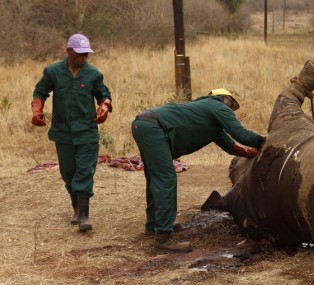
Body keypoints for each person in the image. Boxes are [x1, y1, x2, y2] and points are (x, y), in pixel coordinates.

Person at [131, 88, 266, 253]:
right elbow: (241, 134)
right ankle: (162, 239)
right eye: (231, 103)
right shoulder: (216, 105)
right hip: (154, 129)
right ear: (221, 97)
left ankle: (154, 225)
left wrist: (251, 152)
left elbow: (230, 146)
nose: (231, 109)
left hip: (144, 125)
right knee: (166, 179)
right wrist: (263, 140)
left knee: (155, 178)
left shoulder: (208, 119)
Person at [31, 33, 112, 233]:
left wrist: (104, 107)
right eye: (79, 54)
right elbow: (40, 92)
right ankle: (76, 208)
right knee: (68, 172)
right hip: (63, 132)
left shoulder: (93, 74)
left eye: (86, 55)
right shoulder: (53, 72)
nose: (83, 58)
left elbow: (104, 95)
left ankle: (84, 216)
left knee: (84, 172)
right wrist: (37, 110)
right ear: (68, 51)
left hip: (87, 131)